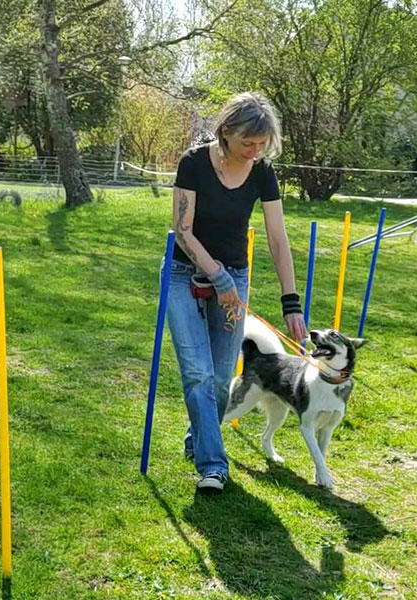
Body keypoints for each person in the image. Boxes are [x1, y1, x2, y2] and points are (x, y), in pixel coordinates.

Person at [163, 91, 307, 493]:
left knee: (222, 376)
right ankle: (213, 464)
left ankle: (199, 437)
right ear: (226, 132)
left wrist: (290, 302)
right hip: (182, 272)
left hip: (235, 277)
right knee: (197, 372)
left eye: (262, 145)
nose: (255, 152)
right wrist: (216, 276)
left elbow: (278, 239)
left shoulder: (262, 171)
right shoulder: (193, 163)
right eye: (248, 143)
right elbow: (183, 231)